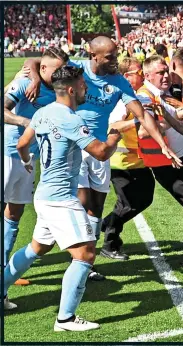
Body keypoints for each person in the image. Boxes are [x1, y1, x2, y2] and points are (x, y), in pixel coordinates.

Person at [24, 36, 182, 281]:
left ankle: (89, 260)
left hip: (99, 150)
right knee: (81, 203)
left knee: (96, 208)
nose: (114, 61)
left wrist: (163, 145)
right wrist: (35, 78)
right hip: (76, 148)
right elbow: (36, 60)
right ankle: (81, 259)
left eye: (116, 55)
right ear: (93, 55)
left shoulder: (119, 81)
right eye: (109, 57)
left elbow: (143, 115)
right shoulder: (76, 68)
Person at [4, 65, 121, 332]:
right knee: (86, 253)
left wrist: (27, 163)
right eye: (82, 85)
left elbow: (22, 144)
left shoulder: (43, 112)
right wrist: (114, 135)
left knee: (37, 248)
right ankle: (65, 319)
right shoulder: (70, 119)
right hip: (60, 198)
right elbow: (101, 153)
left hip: (45, 195)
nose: (86, 89)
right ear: (71, 89)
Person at [136, 55, 183, 267]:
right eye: (160, 72)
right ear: (148, 75)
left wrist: (178, 112)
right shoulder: (144, 97)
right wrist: (174, 119)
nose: (165, 76)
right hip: (169, 163)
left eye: (166, 71)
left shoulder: (162, 94)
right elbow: (143, 131)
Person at [3, 48, 68, 286]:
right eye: (57, 70)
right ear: (43, 68)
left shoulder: (58, 90)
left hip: (30, 159)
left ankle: (4, 268)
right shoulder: (23, 84)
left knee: (15, 212)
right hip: (8, 153)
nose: (61, 73)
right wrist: (27, 122)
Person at [99, 58, 154, 261]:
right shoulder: (122, 100)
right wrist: (137, 120)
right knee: (127, 203)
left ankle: (106, 223)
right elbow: (114, 126)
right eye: (137, 71)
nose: (141, 74)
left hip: (137, 161)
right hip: (120, 162)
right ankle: (110, 243)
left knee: (145, 198)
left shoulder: (136, 96)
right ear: (126, 76)